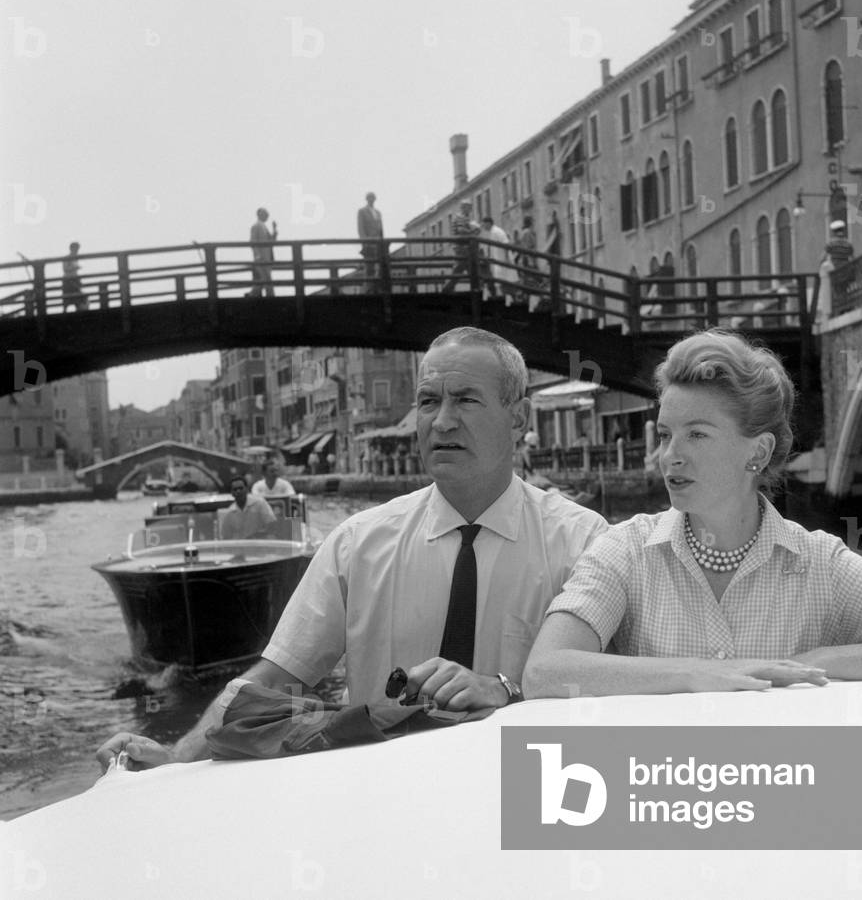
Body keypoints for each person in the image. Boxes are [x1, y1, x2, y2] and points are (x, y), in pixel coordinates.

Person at [96, 327, 607, 769]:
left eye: (465, 400)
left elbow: (609, 694)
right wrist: (178, 756)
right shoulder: (356, 545)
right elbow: (277, 679)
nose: (442, 421)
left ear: (518, 419)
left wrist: (505, 689)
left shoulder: (583, 542)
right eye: (429, 401)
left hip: (523, 783)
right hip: (378, 790)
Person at [523, 329, 862, 699]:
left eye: (696, 434)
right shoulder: (625, 550)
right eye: (664, 434)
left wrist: (823, 661)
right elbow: (546, 670)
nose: (669, 455)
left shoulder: (819, 563)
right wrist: (701, 673)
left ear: (756, 451)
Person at [442, 200, 480, 294]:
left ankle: (477, 289)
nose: (470, 209)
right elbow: (461, 229)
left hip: (466, 246)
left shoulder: (466, 218)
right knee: (460, 267)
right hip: (461, 246)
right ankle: (447, 288)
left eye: (470, 207)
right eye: (468, 207)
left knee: (470, 268)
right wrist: (473, 231)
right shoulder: (460, 217)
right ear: (463, 207)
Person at [357, 192, 385, 292]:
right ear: (366, 199)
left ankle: (377, 288)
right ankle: (368, 289)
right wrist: (365, 242)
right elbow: (361, 228)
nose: (371, 199)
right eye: (369, 198)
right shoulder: (362, 211)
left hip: (378, 243)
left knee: (380, 266)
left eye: (373, 198)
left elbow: (381, 229)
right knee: (369, 267)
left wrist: (382, 242)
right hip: (369, 243)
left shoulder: (378, 213)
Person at [479, 216, 511, 299]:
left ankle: (507, 302)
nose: (483, 227)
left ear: (488, 223)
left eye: (484, 224)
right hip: (498, 261)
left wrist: (507, 259)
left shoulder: (497, 232)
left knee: (504, 284)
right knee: (500, 284)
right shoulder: (492, 232)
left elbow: (506, 244)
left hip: (503, 260)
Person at [249, 208, 277, 297]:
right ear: (260, 214)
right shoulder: (256, 226)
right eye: (265, 214)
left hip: (266, 258)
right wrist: (257, 255)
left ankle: (252, 295)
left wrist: (274, 229)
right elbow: (253, 241)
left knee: (262, 280)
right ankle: (271, 297)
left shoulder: (264, 227)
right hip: (261, 258)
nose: (267, 216)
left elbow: (271, 241)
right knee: (267, 280)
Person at [62, 242, 88, 312]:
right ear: (71, 249)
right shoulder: (67, 258)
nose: (77, 251)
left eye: (77, 249)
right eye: (76, 249)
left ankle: (80, 310)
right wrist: (75, 268)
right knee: (68, 298)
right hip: (68, 280)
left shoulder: (75, 258)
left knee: (78, 297)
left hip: (74, 279)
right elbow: (65, 269)